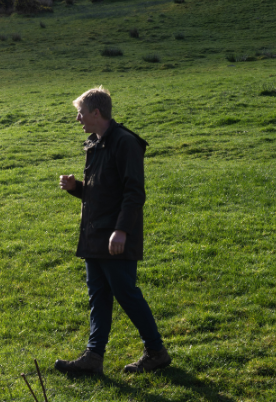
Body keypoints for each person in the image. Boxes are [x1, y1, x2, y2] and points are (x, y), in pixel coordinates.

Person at [54, 86, 170, 375]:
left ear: (96, 112)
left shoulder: (125, 143)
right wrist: (76, 188)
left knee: (125, 293)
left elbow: (133, 193)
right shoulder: (96, 143)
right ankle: (94, 357)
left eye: (80, 114)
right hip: (95, 236)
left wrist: (121, 231)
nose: (78, 119)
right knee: (99, 295)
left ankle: (156, 351)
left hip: (115, 236)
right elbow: (102, 192)